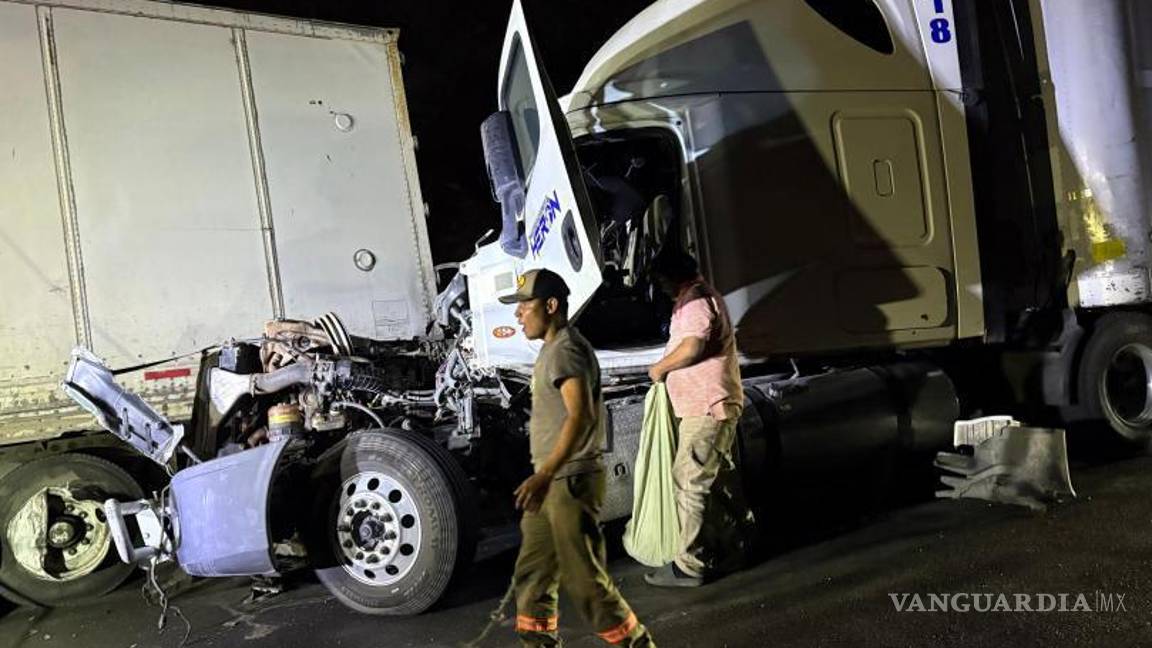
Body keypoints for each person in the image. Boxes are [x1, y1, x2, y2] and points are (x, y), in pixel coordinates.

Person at [502, 269, 655, 647]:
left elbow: (581, 415)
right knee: (533, 574)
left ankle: (637, 644)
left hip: (568, 479)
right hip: (550, 481)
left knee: (584, 580)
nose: (518, 314)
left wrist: (546, 473)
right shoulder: (552, 350)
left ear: (551, 305)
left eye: (525, 305)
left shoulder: (566, 349)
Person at [644, 248, 749, 588]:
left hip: (707, 406)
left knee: (689, 481)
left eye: (661, 279)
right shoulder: (697, 297)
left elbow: (692, 347)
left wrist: (659, 368)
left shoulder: (695, 300)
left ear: (672, 275)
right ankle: (733, 547)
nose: (660, 287)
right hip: (708, 404)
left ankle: (691, 565)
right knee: (716, 482)